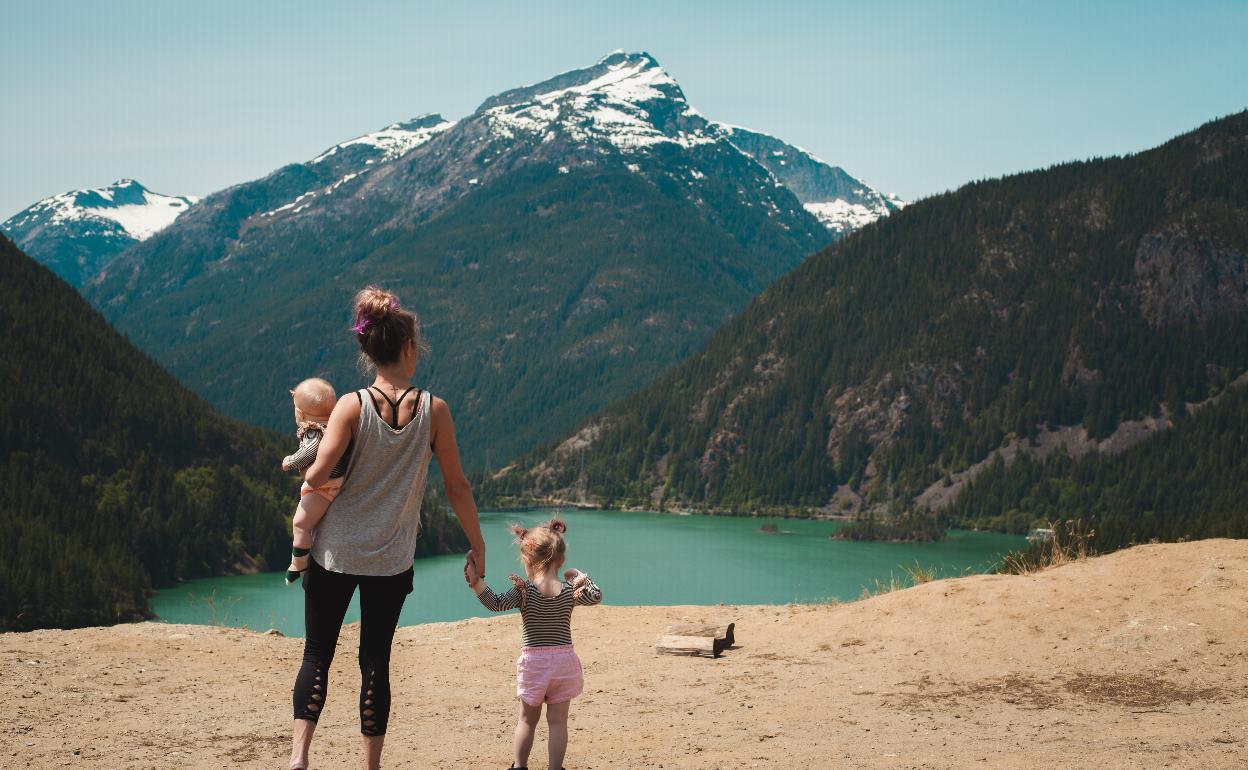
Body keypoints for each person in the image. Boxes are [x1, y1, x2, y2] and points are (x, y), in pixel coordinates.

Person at [287, 286, 487, 770]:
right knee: (375, 660)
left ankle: (299, 759)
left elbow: (316, 473)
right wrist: (477, 544)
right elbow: (457, 487)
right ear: (409, 348)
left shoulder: (350, 406)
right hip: (391, 559)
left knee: (317, 652)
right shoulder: (435, 410)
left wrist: (310, 462)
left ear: (367, 351)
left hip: (333, 553)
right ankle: (371, 766)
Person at [466, 516, 602, 770]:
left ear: (527, 560)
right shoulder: (569, 590)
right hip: (564, 664)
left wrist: (477, 583)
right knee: (558, 723)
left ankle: (520, 766)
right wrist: (581, 577)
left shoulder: (524, 590)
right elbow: (596, 597)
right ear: (560, 560)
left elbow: (495, 603)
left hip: (535, 665)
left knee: (527, 721)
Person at [281, 377, 349, 585]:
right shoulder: (337, 426)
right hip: (339, 481)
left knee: (300, 523)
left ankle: (298, 563)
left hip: (324, 487)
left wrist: (289, 461)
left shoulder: (313, 431)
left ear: (300, 413)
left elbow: (309, 452)